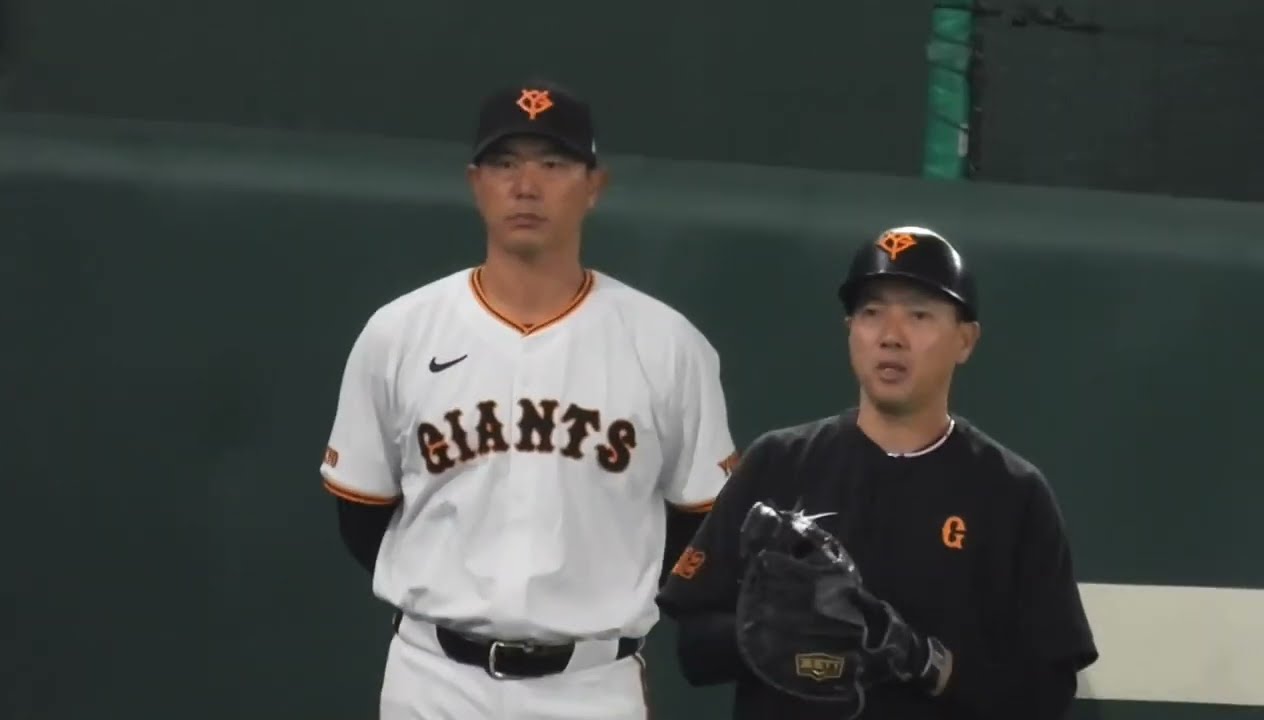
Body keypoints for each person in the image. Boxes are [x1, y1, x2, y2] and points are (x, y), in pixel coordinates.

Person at [317, 78, 740, 720]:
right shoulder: (398, 332)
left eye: (553, 164)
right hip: (433, 679)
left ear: (594, 185)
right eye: (505, 163)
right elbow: (361, 514)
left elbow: (700, 524)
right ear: (475, 183)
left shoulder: (667, 344)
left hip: (591, 684)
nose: (526, 185)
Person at [655, 226, 1099, 719]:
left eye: (919, 315)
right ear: (850, 329)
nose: (890, 336)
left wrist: (924, 660)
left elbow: (1047, 695)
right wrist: (771, 634)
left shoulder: (1012, 494)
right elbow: (693, 651)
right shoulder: (778, 462)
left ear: (965, 340)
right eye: (871, 313)